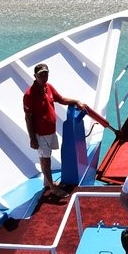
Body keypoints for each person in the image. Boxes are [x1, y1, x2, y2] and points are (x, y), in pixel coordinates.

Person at [23, 62, 86, 194]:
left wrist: (76, 101)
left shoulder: (49, 87)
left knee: (46, 158)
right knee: (45, 160)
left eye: (46, 73)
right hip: (40, 134)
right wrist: (32, 138)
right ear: (35, 76)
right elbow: (28, 118)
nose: (44, 76)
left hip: (51, 131)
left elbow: (61, 99)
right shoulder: (29, 95)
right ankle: (52, 188)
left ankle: (47, 183)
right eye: (41, 74)